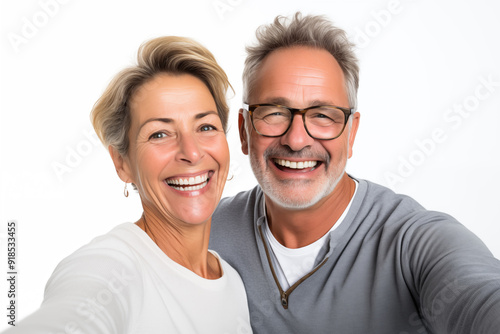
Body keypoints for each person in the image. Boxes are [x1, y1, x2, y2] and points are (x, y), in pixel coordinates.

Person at [209, 12, 500, 333]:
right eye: (275, 112)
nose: (296, 139)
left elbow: (478, 294)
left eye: (322, 115)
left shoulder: (413, 241)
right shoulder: (205, 233)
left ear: (351, 134)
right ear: (243, 131)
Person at [5, 36, 252, 333]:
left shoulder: (233, 282)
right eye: (160, 134)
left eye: (206, 127)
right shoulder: (110, 267)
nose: (192, 152)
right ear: (122, 163)